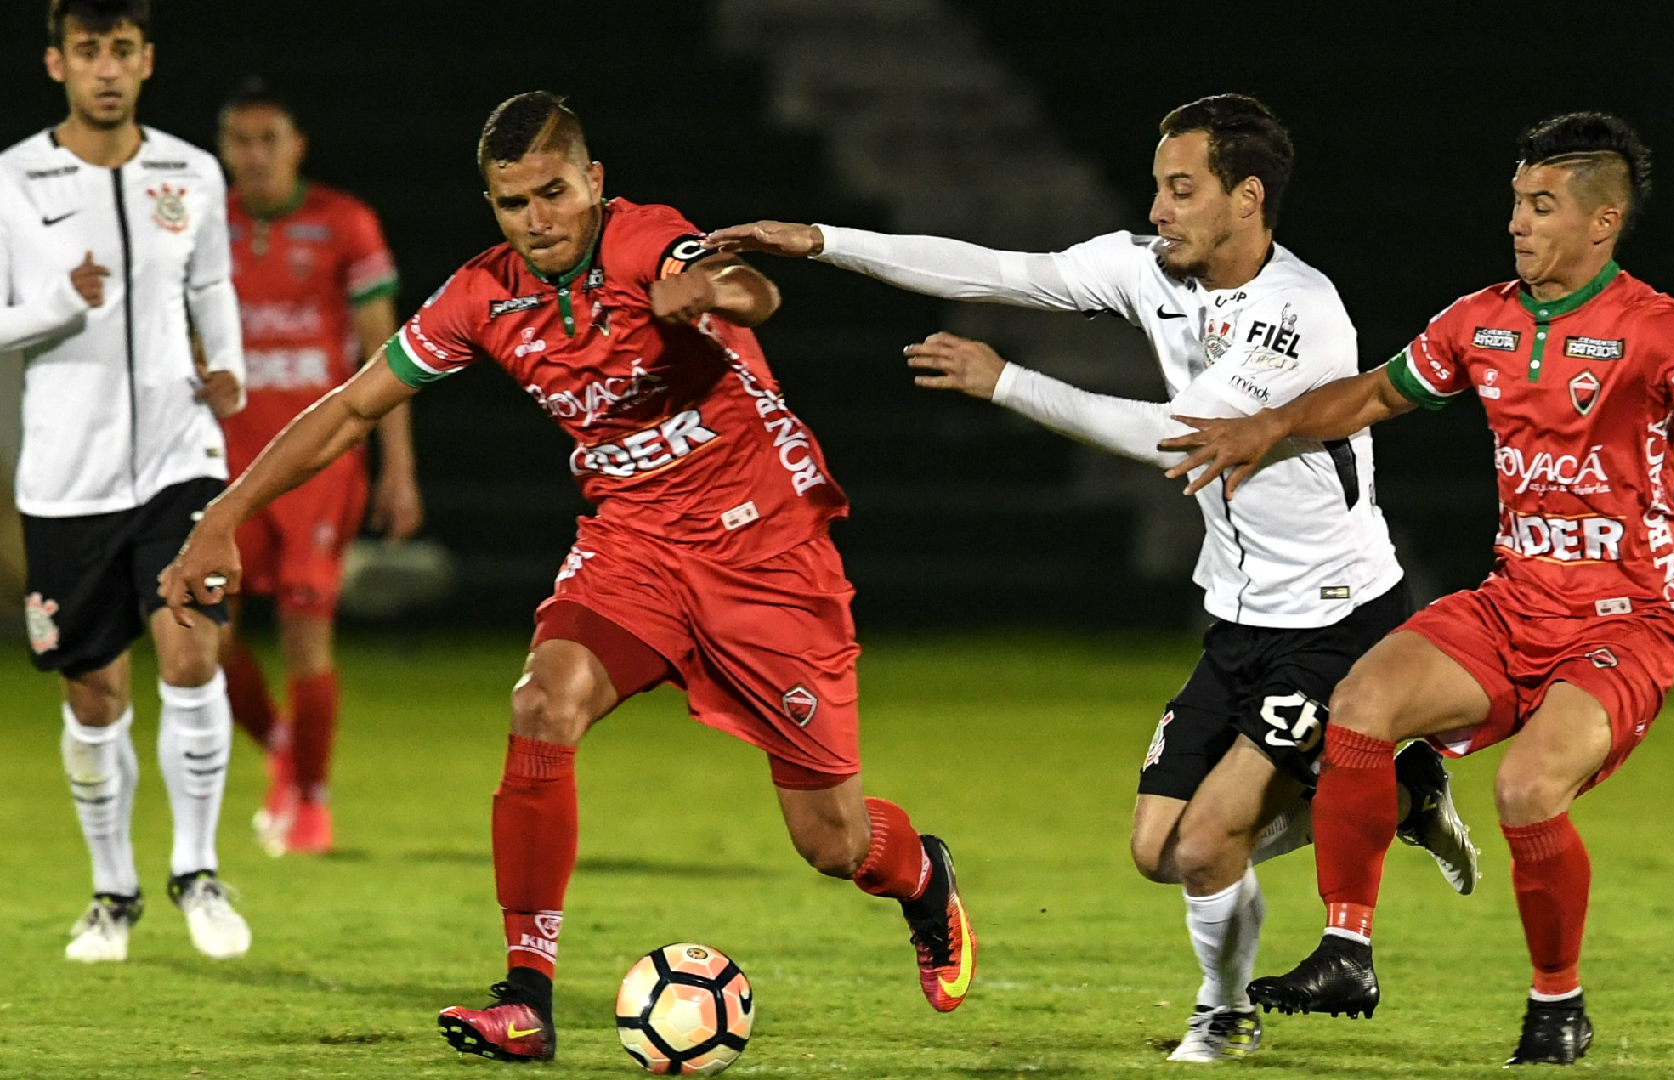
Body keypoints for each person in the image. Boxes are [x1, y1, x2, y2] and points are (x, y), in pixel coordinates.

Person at [161, 91, 975, 1062]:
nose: (538, 220)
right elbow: (348, 410)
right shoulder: (483, 295)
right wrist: (222, 517)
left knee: (833, 843)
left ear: (593, 182)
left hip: (764, 555)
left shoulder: (644, 243)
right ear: (492, 205)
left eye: (554, 193)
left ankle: (921, 877)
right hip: (632, 547)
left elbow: (756, 293)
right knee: (542, 703)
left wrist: (712, 293)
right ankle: (526, 996)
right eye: (513, 203)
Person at [708, 93, 1478, 1063]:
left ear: (1247, 199)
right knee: (1157, 850)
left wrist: (1008, 383)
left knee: (1204, 848)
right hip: (1239, 618)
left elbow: (1179, 438)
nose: (1158, 209)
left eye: (1181, 188)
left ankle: (1222, 1014)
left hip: (1337, 620)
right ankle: (1390, 793)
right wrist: (820, 241)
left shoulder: (1299, 313)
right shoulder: (1149, 270)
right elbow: (995, 271)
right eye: (1159, 186)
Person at [1159, 112, 1674, 1065]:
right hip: (1514, 603)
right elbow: (1375, 395)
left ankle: (1559, 1003)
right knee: (1361, 703)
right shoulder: (1483, 321)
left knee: (1524, 787)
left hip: (1625, 624)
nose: (1517, 222)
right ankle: (1347, 949)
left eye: (1542, 206)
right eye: (1515, 202)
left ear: (1603, 223)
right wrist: (1270, 426)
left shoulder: (1652, 327)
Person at [0, 0, 250, 962]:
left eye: (123, 52)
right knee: (95, 696)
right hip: (67, 477)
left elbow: (213, 283)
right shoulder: (18, 176)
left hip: (181, 461)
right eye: (88, 52)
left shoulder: (190, 170)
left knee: (192, 654)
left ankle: (198, 870)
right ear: (57, 62)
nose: (106, 70)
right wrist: (63, 305)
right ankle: (113, 891)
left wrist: (221, 361)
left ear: (147, 60)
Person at [215, 77, 423, 856]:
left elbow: (389, 358)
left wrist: (398, 472)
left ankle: (311, 798)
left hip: (320, 465)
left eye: (271, 140)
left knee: (306, 635)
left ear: (297, 145)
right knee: (205, 639)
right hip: (227, 464)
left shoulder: (345, 224)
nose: (256, 156)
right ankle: (278, 744)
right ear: (224, 148)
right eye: (241, 141)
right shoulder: (204, 227)